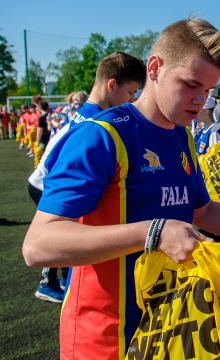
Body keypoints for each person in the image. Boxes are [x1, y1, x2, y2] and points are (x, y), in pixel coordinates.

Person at [22, 18, 220, 359]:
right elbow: (37, 246)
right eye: (191, 85)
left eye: (207, 91)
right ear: (155, 68)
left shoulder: (180, 136)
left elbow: (202, 211)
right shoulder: (101, 136)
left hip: (172, 329)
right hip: (105, 339)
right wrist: (154, 232)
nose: (200, 100)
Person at [27, 51, 147, 304]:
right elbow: (58, 168)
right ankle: (52, 283)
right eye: (130, 92)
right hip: (44, 183)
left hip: (41, 179)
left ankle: (58, 280)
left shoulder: (87, 112)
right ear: (111, 85)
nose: (133, 99)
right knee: (67, 233)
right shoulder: (95, 123)